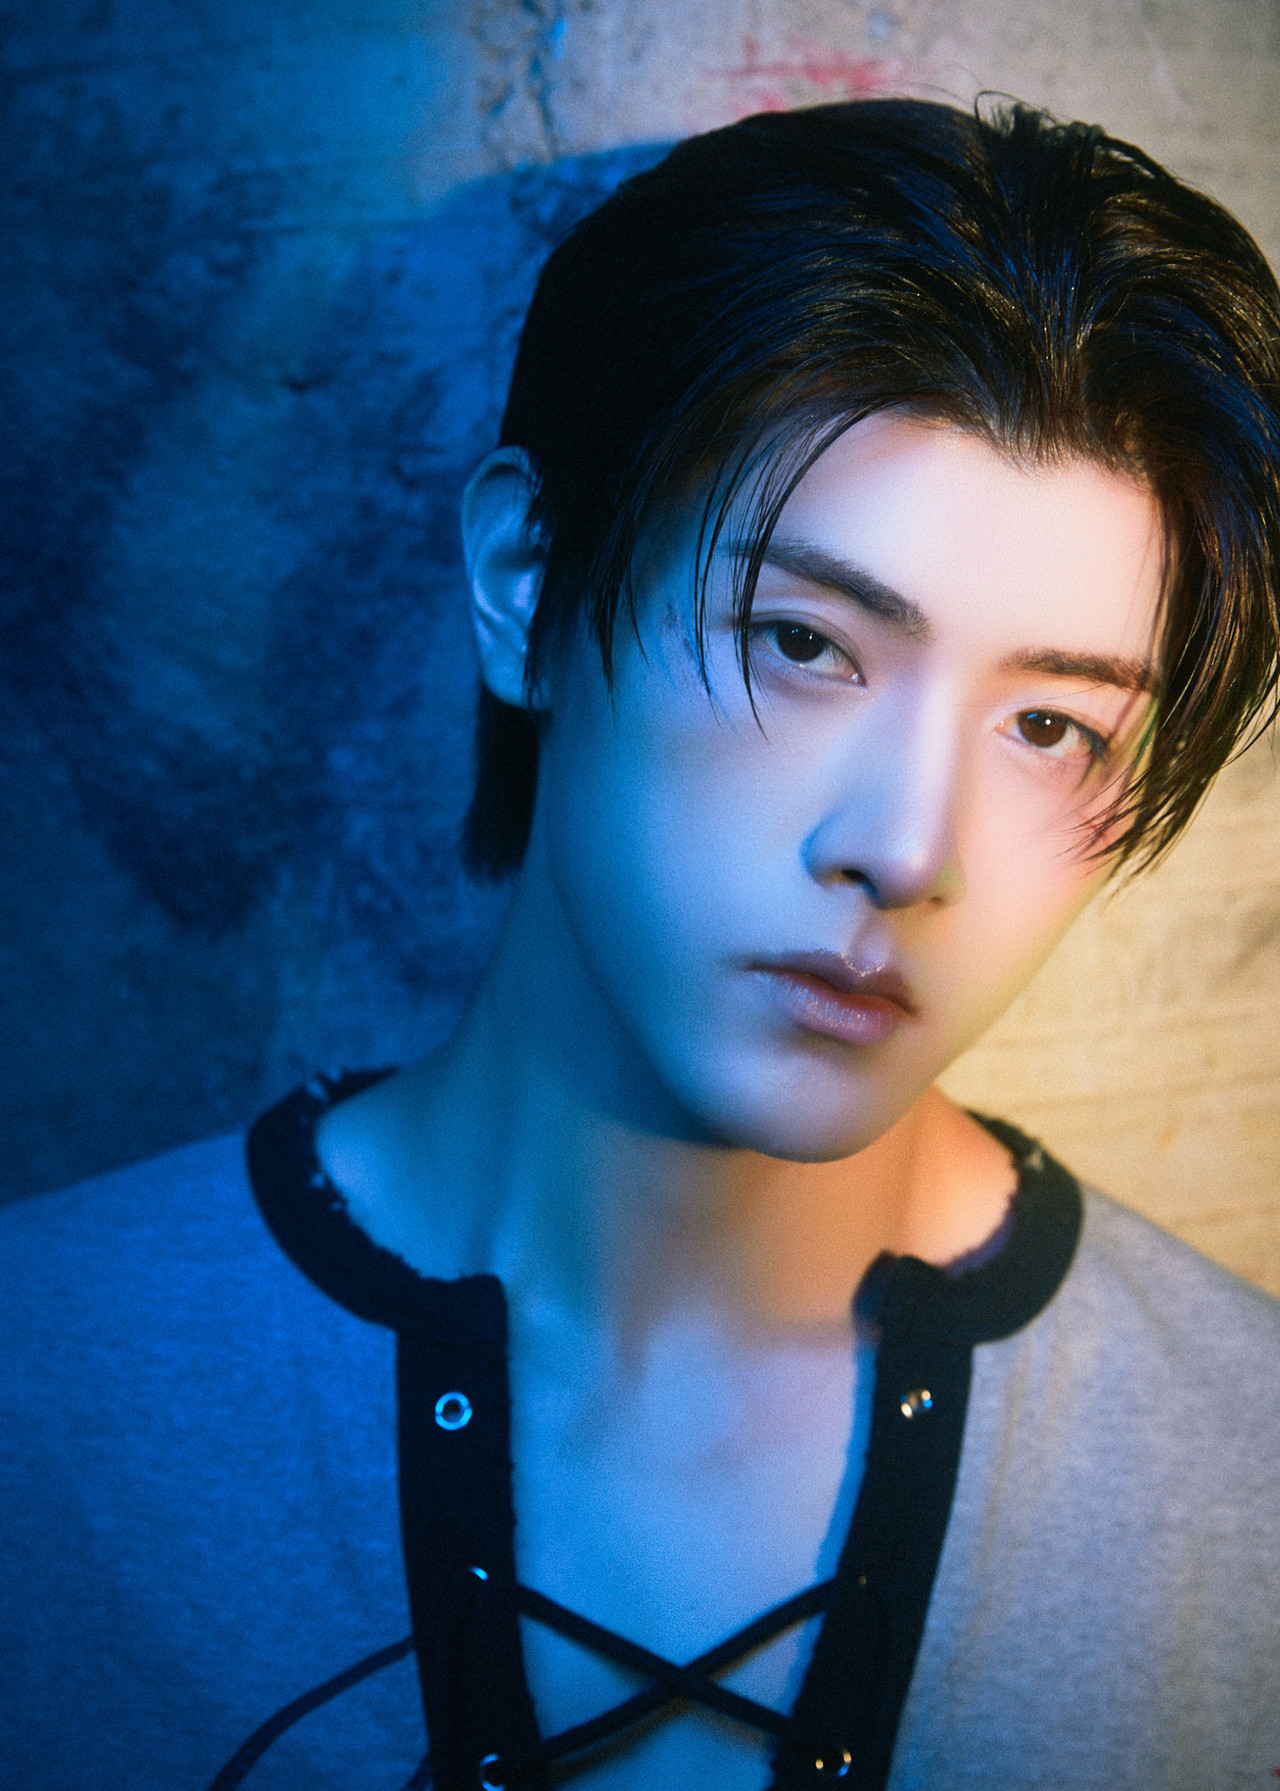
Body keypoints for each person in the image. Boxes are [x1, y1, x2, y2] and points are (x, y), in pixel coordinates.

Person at [3, 97, 1280, 1791]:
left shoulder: (1247, 1476)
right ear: (528, 580)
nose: (908, 849)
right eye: (804, 642)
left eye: (1051, 728)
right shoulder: (44, 1395)